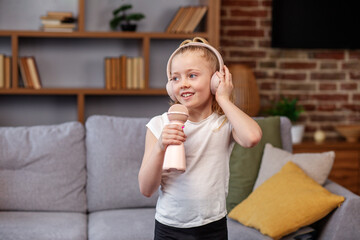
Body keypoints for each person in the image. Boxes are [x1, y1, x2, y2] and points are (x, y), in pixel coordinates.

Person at [138, 37, 262, 240]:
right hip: (169, 226)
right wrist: (161, 146)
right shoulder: (158, 125)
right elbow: (146, 189)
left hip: (212, 226)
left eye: (192, 75)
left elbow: (252, 137)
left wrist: (223, 97)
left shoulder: (223, 124)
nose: (183, 84)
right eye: (175, 78)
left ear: (215, 80)